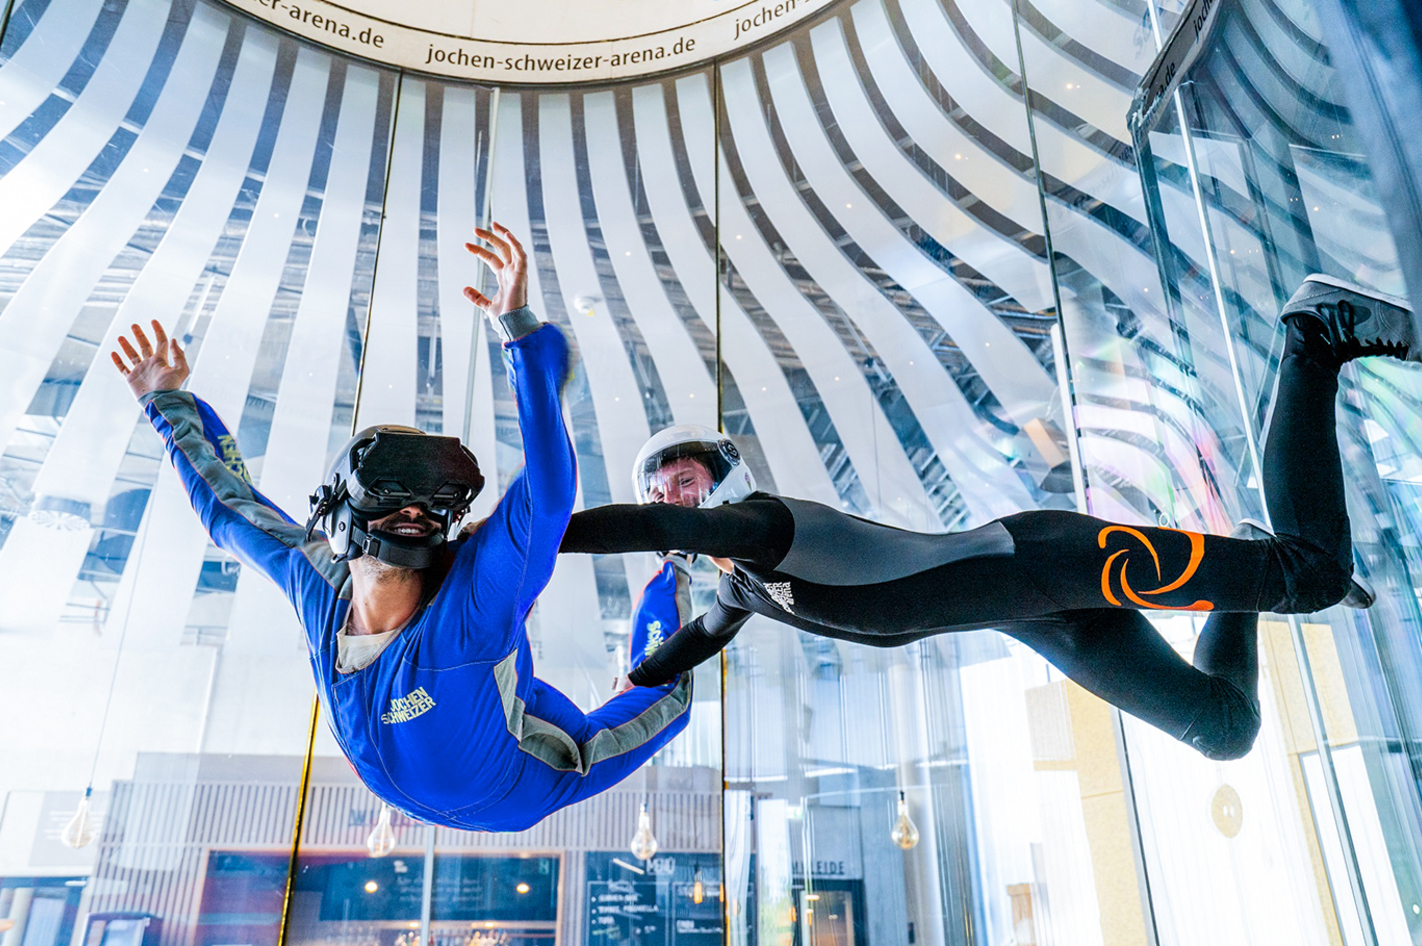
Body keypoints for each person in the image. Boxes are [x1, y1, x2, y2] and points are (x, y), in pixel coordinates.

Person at [561, 275, 1418, 760]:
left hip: (1053, 560)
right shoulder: (746, 585)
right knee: (1225, 731)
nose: (671, 498)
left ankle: (1313, 333)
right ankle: (1248, 562)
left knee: (1313, 579)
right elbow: (702, 633)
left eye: (677, 481)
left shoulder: (761, 526)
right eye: (660, 490)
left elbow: (657, 533)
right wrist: (638, 680)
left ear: (716, 478)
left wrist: (536, 537)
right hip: (1038, 615)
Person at [112, 224, 691, 831]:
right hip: (434, 760)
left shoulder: (468, 608)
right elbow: (230, 512)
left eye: (433, 499)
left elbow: (546, 498)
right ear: (338, 512)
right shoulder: (318, 581)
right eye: (391, 490)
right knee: (517, 690)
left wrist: (518, 331)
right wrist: (167, 400)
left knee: (666, 692)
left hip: (519, 786)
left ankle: (678, 561)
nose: (413, 510)